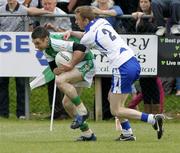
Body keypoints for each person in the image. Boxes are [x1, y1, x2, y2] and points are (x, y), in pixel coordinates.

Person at [64, 5, 165, 141]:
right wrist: (71, 32)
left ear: (86, 20)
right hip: (132, 62)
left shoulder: (87, 38)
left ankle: (153, 119)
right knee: (112, 98)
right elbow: (87, 35)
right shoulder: (102, 22)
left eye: (77, 20)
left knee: (116, 110)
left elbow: (81, 51)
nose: (76, 22)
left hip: (121, 67)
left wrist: (68, 64)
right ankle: (127, 133)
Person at [31, 26, 96, 141]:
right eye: (34, 44)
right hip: (76, 66)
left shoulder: (56, 42)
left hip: (86, 62)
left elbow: (81, 48)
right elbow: (54, 69)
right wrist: (59, 69)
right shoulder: (46, 50)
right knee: (67, 104)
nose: (36, 47)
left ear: (46, 38)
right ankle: (88, 134)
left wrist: (70, 64)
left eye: (38, 43)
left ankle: (83, 111)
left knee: (60, 81)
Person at [0, 0, 52, 119]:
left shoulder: (23, 9)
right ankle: (3, 113)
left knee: (21, 82)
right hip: (4, 52)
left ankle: (21, 113)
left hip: (19, 52)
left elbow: (30, 24)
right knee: (2, 82)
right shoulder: (1, 10)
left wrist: (47, 11)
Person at [36, 0, 72, 119]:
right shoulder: (41, 13)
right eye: (44, 4)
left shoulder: (62, 15)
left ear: (55, 3)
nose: (46, 6)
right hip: (49, 51)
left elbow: (68, 34)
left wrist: (54, 28)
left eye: (49, 4)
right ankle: (55, 111)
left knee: (64, 81)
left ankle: (67, 110)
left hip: (62, 52)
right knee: (52, 80)